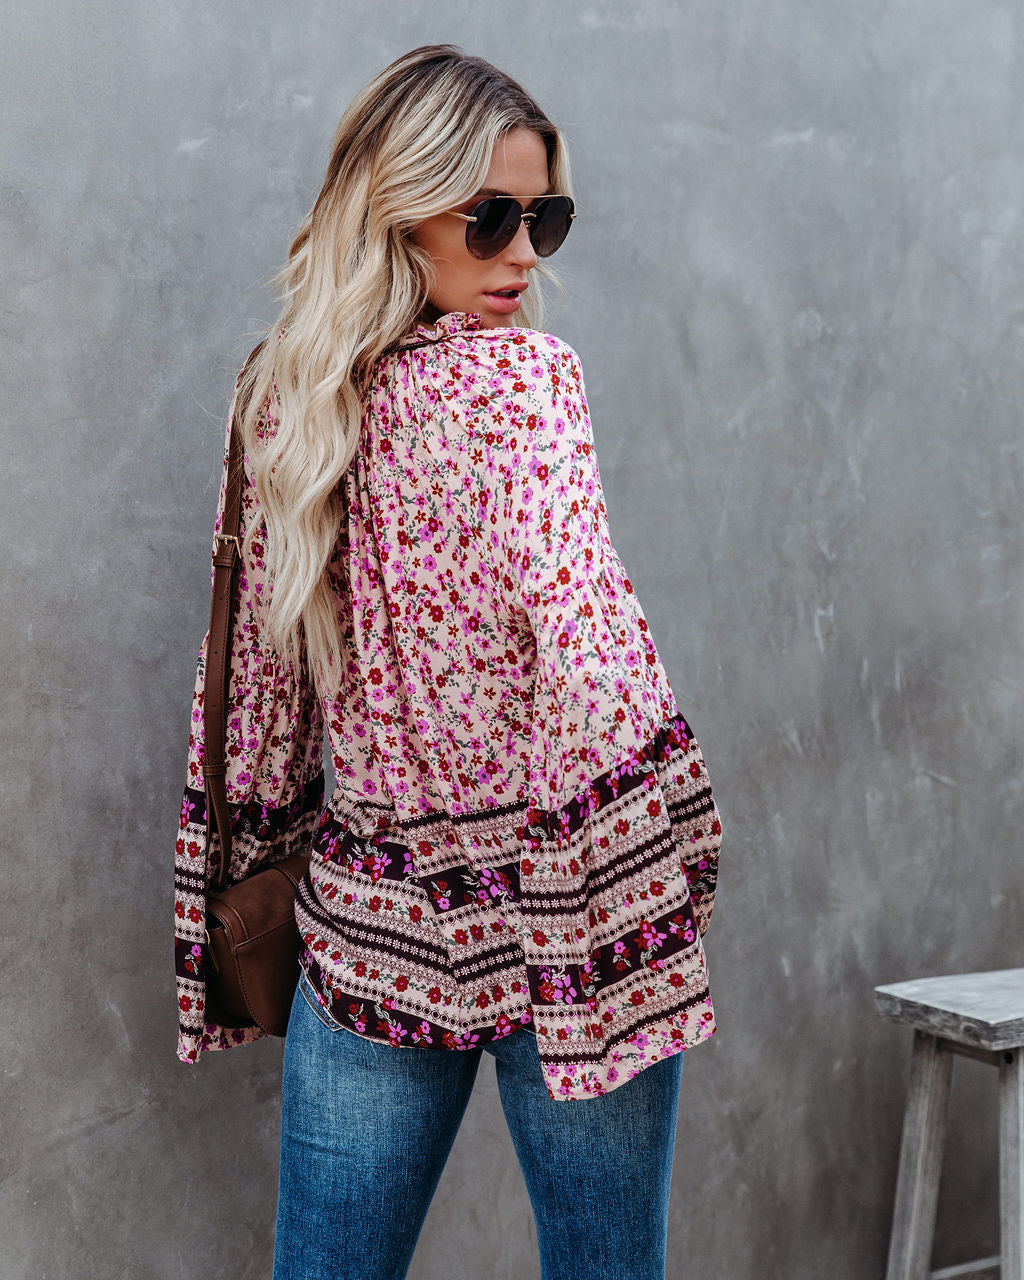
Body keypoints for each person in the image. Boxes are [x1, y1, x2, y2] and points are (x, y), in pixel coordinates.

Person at [172, 44, 723, 1280]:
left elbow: (256, 695)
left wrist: (246, 873)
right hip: (570, 911)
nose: (524, 254)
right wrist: (683, 844)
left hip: (373, 921)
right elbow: (594, 654)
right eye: (490, 220)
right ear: (398, 212)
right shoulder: (529, 382)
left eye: (545, 218)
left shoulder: (282, 397)